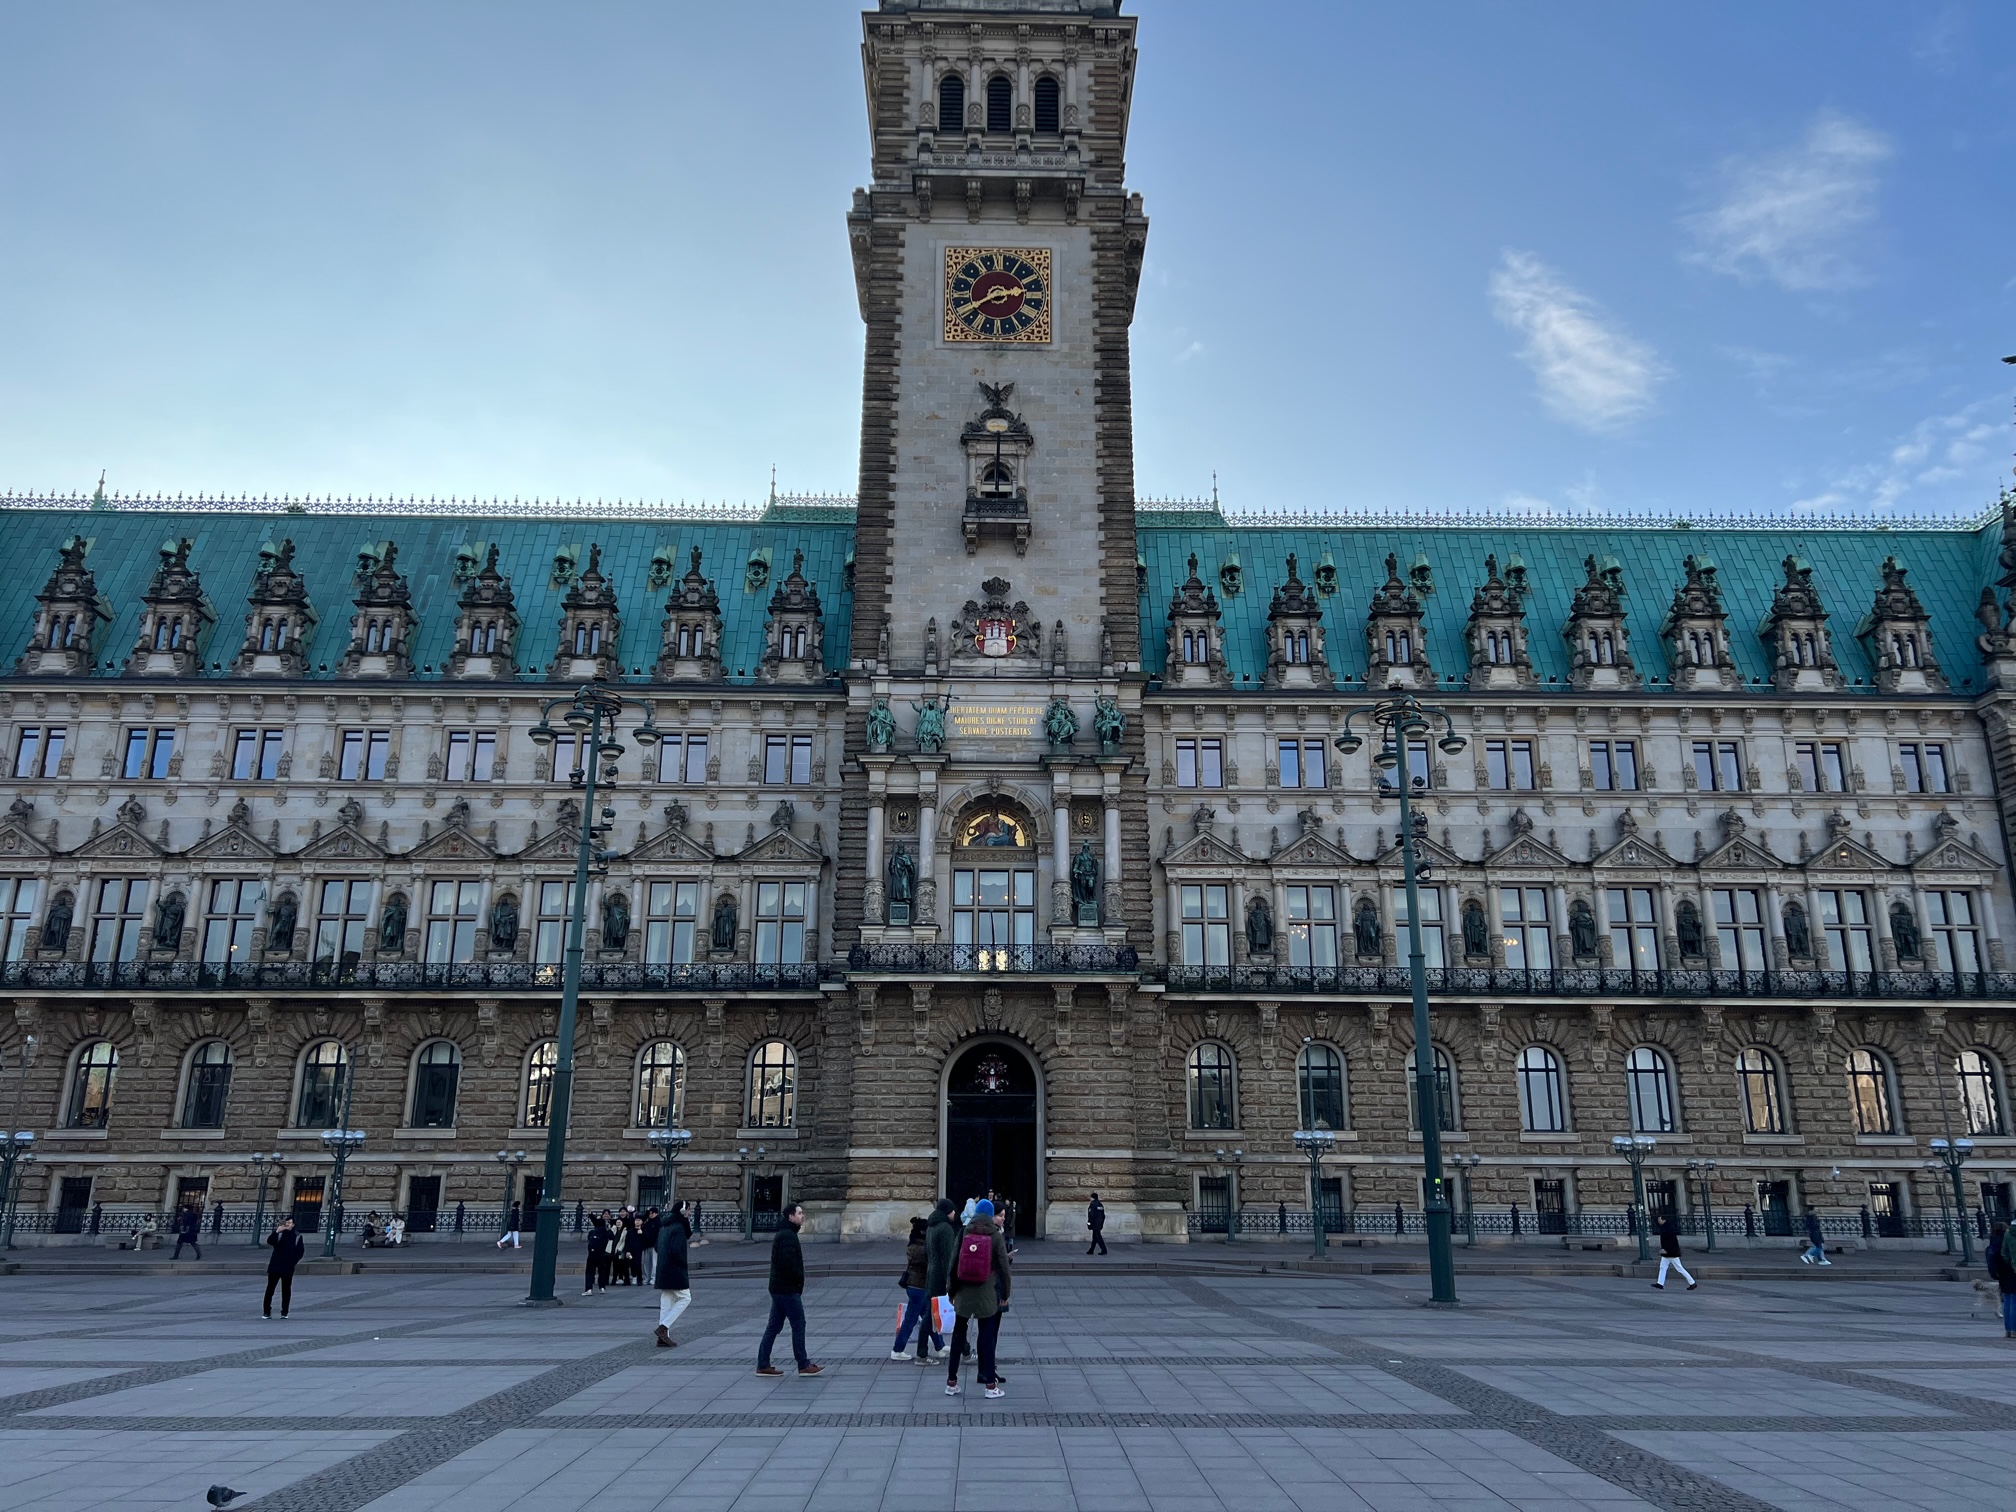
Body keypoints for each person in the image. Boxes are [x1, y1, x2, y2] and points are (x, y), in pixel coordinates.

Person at [945, 1198, 1011, 1399]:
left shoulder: (964, 1231)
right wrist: (1005, 1294)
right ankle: (991, 1386)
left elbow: (954, 1263)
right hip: (986, 1294)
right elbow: (1003, 1268)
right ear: (990, 1214)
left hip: (964, 1293)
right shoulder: (995, 1235)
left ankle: (951, 1383)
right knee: (986, 1339)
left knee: (958, 1337)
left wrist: (951, 1291)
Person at [756, 1202, 821, 1376]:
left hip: (780, 1288)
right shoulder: (787, 1236)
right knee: (799, 1324)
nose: (802, 1216)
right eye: (799, 1213)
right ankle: (803, 1364)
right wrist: (798, 1281)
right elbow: (788, 1264)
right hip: (787, 1289)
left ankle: (763, 1364)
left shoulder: (786, 1234)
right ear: (791, 1216)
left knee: (774, 1326)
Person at [891, 1216, 945, 1363]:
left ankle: (940, 1346)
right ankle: (897, 1349)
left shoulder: (916, 1244)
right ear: (923, 1231)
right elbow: (930, 1262)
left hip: (918, 1286)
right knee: (910, 1320)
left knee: (930, 1318)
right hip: (918, 1287)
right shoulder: (919, 1247)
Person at [654, 1202, 692, 1349]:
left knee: (667, 1301)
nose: (690, 1213)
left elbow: (657, 1246)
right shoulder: (679, 1227)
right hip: (675, 1270)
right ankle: (663, 1328)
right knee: (685, 1298)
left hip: (663, 1268)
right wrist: (683, 1263)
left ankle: (663, 1337)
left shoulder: (665, 1226)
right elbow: (677, 1250)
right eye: (689, 1210)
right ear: (683, 1211)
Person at [263, 1216, 305, 1319]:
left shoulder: (297, 1236)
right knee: (270, 1289)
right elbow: (270, 1241)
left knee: (286, 1290)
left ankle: (284, 1312)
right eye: (286, 1223)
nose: (287, 1225)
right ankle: (266, 1311)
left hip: (287, 1267)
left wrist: (292, 1262)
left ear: (293, 1225)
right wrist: (277, 1231)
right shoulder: (279, 1233)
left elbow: (300, 1251)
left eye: (289, 1223)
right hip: (275, 1266)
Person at [1651, 1215, 1696, 1291]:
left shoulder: (1667, 1229)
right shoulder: (1666, 1227)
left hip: (1671, 1252)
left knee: (1679, 1268)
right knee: (1663, 1267)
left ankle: (1692, 1283)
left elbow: (1671, 1241)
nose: (1658, 1221)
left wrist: (1666, 1249)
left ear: (1663, 1220)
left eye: (1659, 1219)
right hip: (1669, 1252)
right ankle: (1660, 1283)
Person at [1989, 1220, 2016, 1339]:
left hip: (2004, 1274)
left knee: (2008, 1300)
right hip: (2012, 1272)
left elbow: (2003, 1254)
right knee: (2014, 1301)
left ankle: (2009, 1330)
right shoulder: (2008, 1237)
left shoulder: (2000, 1240)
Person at [584, 1213, 612, 1296]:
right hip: (602, 1254)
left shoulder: (592, 1232)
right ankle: (602, 1287)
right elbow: (612, 1237)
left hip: (592, 1255)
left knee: (590, 1272)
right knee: (602, 1271)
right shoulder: (605, 1233)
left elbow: (589, 1239)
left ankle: (589, 1289)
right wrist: (608, 1229)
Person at [640, 1207, 661, 1287]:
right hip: (646, 1245)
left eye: (652, 1213)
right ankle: (646, 1278)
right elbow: (641, 1220)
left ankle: (653, 1278)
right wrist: (646, 1213)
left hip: (654, 1245)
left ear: (656, 1213)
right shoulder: (647, 1222)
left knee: (654, 1263)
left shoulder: (658, 1222)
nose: (651, 1215)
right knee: (646, 1263)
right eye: (650, 1213)